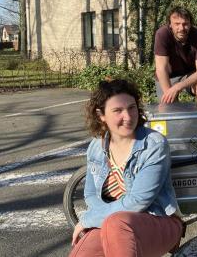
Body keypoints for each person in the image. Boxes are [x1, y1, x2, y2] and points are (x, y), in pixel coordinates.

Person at [69, 79, 184, 257]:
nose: (128, 117)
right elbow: (91, 194)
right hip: (110, 224)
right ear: (101, 115)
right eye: (117, 111)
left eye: (131, 108)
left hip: (158, 221)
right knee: (83, 253)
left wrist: (89, 220)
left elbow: (138, 201)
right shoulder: (96, 147)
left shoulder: (153, 145)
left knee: (117, 224)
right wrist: (99, 220)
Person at [154, 6, 197, 104]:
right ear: (170, 24)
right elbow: (161, 69)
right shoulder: (162, 34)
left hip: (189, 75)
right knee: (169, 107)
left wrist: (178, 87)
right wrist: (170, 93)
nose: (181, 28)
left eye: (185, 24)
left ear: (190, 24)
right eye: (177, 24)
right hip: (167, 76)